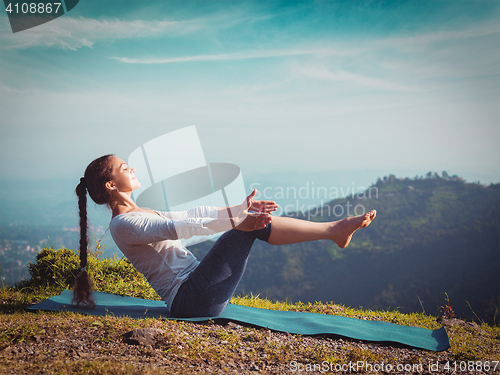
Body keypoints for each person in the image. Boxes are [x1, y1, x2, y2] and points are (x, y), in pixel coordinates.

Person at [74, 154, 376, 317]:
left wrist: (236, 209)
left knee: (250, 223)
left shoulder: (139, 213)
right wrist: (236, 220)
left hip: (197, 291)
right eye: (125, 167)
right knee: (247, 227)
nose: (133, 168)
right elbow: (179, 228)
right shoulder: (123, 225)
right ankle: (333, 231)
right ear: (112, 185)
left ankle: (333, 231)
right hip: (191, 301)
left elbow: (187, 216)